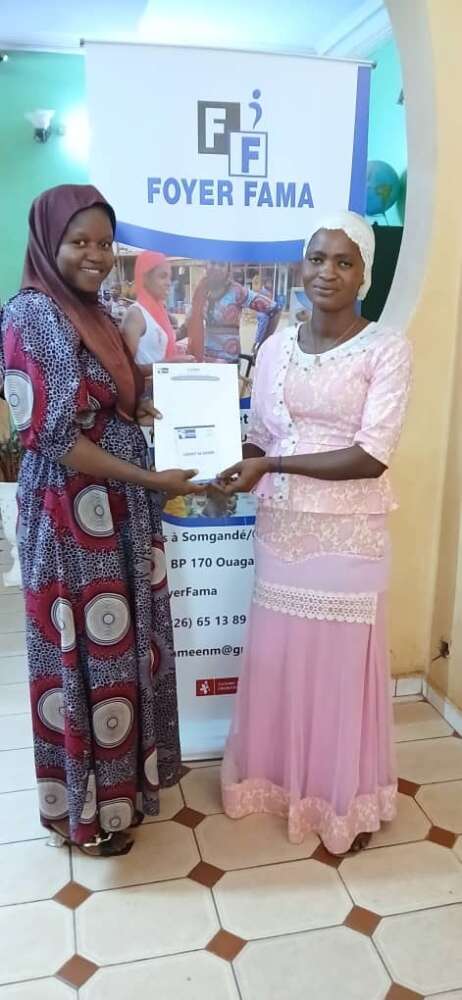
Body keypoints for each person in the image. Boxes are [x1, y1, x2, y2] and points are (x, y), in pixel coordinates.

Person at [0, 185, 203, 856]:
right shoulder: (33, 314)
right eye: (79, 241)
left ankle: (123, 793)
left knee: (121, 650)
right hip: (70, 520)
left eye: (104, 243)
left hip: (115, 513)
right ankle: (84, 815)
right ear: (48, 243)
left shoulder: (94, 311)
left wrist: (139, 409)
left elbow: (106, 398)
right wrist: (151, 479)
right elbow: (54, 436)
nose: (95, 254)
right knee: (82, 658)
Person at [218, 211, 412, 855]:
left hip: (348, 536)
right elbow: (261, 433)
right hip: (280, 531)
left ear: (364, 274)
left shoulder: (386, 348)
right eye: (317, 258)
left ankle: (340, 799)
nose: (326, 272)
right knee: (282, 660)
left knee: (337, 672)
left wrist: (270, 465)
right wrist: (238, 461)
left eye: (343, 261)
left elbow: (372, 455)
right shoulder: (276, 346)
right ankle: (279, 783)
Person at [184, 261, 280, 363]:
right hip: (203, 361)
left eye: (221, 264)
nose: (216, 267)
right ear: (206, 265)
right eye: (212, 262)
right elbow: (190, 324)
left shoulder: (237, 291)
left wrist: (262, 344)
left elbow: (274, 310)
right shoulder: (201, 291)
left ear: (228, 269)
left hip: (229, 363)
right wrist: (174, 336)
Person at [122, 250, 179, 373]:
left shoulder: (160, 313)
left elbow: (159, 345)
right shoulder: (136, 315)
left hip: (164, 382)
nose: (169, 283)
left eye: (170, 277)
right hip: (147, 385)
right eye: (163, 276)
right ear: (145, 278)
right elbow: (125, 369)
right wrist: (169, 365)